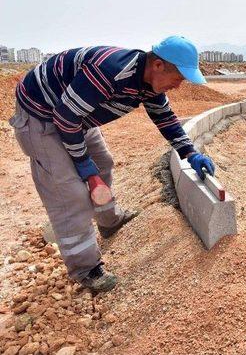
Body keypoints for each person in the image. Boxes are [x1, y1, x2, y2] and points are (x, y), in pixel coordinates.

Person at [10, 35, 215, 292]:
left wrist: (190, 153)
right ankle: (86, 270)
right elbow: (64, 118)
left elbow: (165, 119)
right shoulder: (111, 71)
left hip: (76, 115)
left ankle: (109, 221)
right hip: (43, 117)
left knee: (103, 162)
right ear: (159, 65)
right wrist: (86, 170)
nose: (178, 86)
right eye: (178, 78)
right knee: (69, 193)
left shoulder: (148, 84)